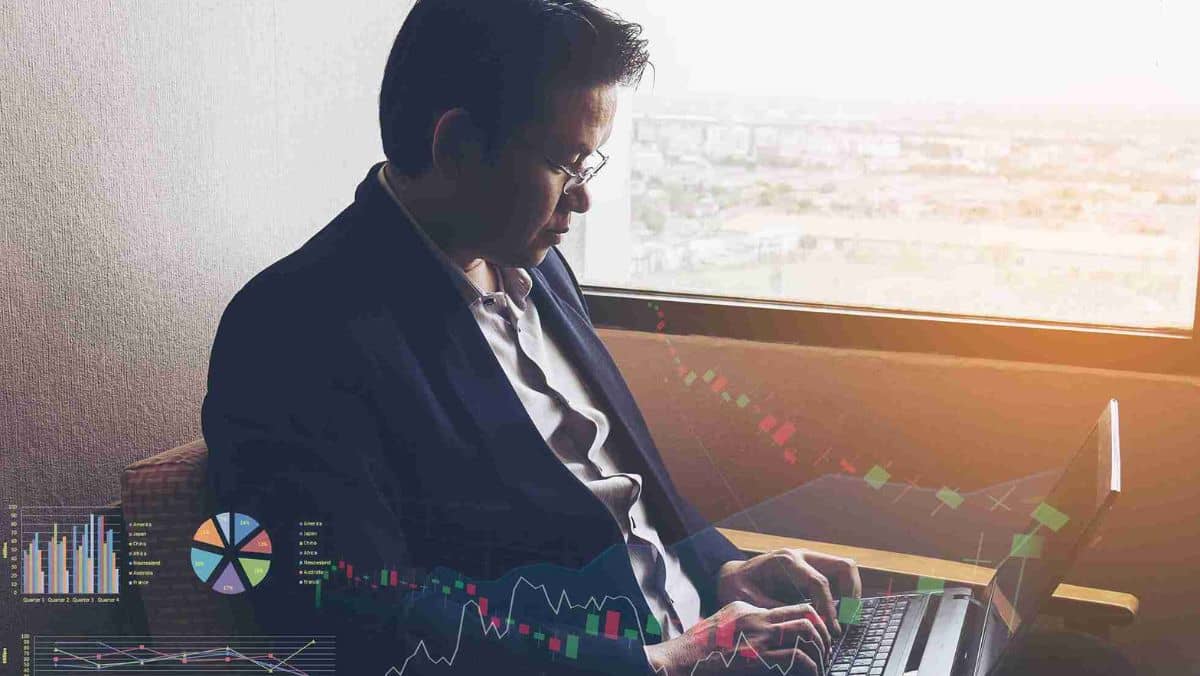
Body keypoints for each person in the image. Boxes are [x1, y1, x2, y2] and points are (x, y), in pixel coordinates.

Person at [202, 1, 856, 673]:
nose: (582, 197)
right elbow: (352, 620)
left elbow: (624, 488)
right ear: (456, 146)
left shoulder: (536, 266)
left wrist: (722, 570)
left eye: (589, 163)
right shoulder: (293, 328)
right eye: (566, 163)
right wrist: (662, 662)